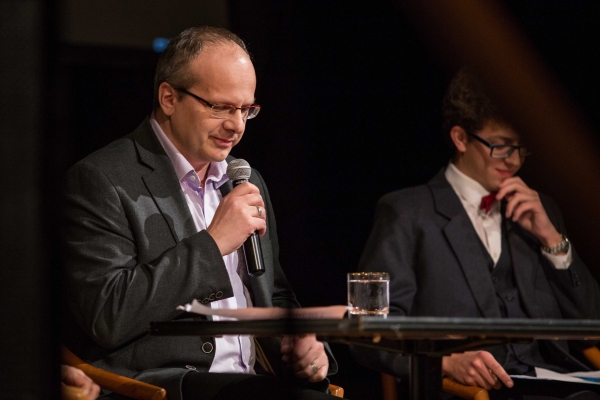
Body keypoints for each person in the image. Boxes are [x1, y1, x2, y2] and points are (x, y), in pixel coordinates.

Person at [61, 26, 338, 400]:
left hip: (257, 380)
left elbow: (273, 293)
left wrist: (304, 348)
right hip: (164, 384)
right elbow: (108, 315)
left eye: (246, 110)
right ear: (169, 98)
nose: (236, 126)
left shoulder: (245, 178)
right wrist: (212, 244)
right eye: (220, 107)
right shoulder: (104, 178)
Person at [354, 67, 600, 399]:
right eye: (501, 146)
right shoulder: (405, 212)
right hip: (465, 391)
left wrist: (552, 240)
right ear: (460, 138)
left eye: (521, 147)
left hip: (555, 384)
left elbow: (591, 320)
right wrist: (444, 360)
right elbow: (368, 329)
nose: (513, 161)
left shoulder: (542, 210)